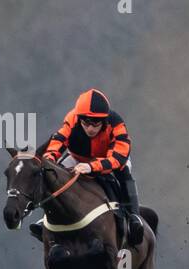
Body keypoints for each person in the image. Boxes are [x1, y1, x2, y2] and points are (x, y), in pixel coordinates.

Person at [32, 88, 142, 245]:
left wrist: (91, 167)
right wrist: (49, 158)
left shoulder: (116, 122)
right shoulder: (72, 118)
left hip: (109, 160)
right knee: (53, 173)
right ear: (79, 118)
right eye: (86, 122)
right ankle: (45, 218)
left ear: (104, 120)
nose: (90, 128)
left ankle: (133, 216)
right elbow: (58, 141)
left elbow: (119, 157)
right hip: (77, 157)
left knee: (124, 172)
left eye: (96, 123)